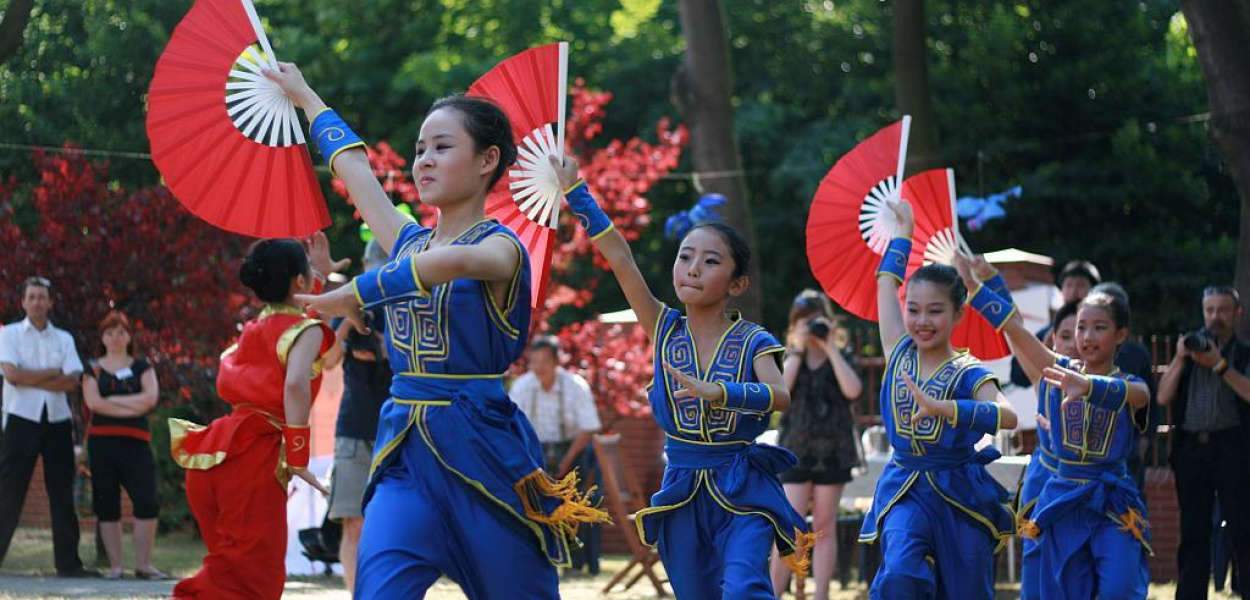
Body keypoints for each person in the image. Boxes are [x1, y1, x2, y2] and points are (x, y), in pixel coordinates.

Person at [267, 64, 608, 599]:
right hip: (405, 456)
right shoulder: (408, 243)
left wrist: (361, 290)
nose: (423, 159)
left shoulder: (502, 248)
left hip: (483, 454)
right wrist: (307, 97)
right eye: (420, 148)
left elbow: (450, 264)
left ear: (487, 160)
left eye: (442, 147)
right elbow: (354, 170)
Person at [550, 149, 813, 599]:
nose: (692, 268)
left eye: (711, 261)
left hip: (742, 488)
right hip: (682, 489)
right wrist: (576, 192)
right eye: (685, 256)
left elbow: (780, 395)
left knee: (745, 589)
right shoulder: (664, 327)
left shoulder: (754, 340)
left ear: (737, 284)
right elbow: (621, 259)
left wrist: (721, 392)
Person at [960, 256, 1152, 600]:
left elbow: (1141, 395)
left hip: (1112, 500)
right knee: (1062, 590)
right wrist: (977, 288)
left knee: (1119, 587)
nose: (1087, 336)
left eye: (1099, 327)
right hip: (1062, 498)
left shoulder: (1130, 383)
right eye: (1080, 327)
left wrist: (1089, 386)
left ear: (1121, 335)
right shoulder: (1055, 370)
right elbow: (1015, 329)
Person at [857, 202, 1018, 600]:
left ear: (958, 314)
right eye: (913, 310)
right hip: (905, 487)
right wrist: (903, 235)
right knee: (900, 576)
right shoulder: (898, 350)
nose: (921, 321)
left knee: (966, 591)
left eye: (935, 311)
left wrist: (948, 409)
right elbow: (885, 284)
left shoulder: (969, 370)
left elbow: (1007, 415)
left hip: (960, 492)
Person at [169, 237, 339, 599]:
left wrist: (320, 275)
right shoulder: (305, 332)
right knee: (251, 580)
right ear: (299, 281)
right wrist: (298, 457)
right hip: (255, 459)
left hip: (216, 452)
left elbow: (299, 323)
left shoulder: (254, 329)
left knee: (232, 572)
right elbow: (295, 383)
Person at [770, 289, 863, 600]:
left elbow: (853, 390)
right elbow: (781, 393)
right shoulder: (789, 356)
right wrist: (797, 349)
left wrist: (831, 347)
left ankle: (820, 595)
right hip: (795, 453)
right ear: (794, 324)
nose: (811, 325)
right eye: (804, 320)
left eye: (816, 319)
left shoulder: (841, 355)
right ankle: (772, 593)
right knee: (789, 526)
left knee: (824, 526)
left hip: (834, 452)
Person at [1158, 285, 1250, 600]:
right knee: (1193, 532)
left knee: (1243, 528)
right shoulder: (1189, 352)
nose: (1215, 317)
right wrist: (1180, 358)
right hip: (1192, 449)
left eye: (1223, 310)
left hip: (1233, 447)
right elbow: (1163, 396)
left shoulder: (1243, 353)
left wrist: (1219, 364)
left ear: (1237, 314)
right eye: (1210, 310)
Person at [0, 276, 96, 577]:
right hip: (20, 419)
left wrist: (30, 376)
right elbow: (12, 376)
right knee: (9, 491)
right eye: (31, 297)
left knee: (62, 493)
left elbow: (72, 382)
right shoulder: (9, 335)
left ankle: (68, 564)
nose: (37, 302)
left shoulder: (64, 339)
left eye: (42, 297)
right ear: (23, 302)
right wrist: (53, 373)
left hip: (57, 421)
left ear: (50, 302)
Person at [324, 239, 391, 595]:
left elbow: (412, 361)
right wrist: (347, 326)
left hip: (395, 431)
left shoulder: (405, 307)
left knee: (394, 525)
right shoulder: (351, 304)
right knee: (353, 524)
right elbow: (328, 360)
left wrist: (380, 347)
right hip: (353, 429)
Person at [81, 310, 166, 580]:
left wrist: (112, 401)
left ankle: (143, 565)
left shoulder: (143, 367)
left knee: (147, 501)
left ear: (129, 337)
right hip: (102, 445)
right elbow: (93, 403)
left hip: (136, 444)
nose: (115, 338)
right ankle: (116, 567)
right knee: (107, 504)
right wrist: (132, 404)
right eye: (109, 333)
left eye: (121, 332)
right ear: (102, 338)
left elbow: (150, 399)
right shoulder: (93, 368)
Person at [1014, 298, 1080, 600]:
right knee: (1036, 565)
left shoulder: (1113, 385)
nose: (1075, 344)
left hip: (1087, 491)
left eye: (1083, 333)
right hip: (1044, 485)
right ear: (1052, 340)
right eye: (1066, 336)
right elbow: (1014, 330)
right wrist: (984, 285)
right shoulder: (1044, 378)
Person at [510, 336, 601, 478]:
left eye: (545, 361)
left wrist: (566, 462)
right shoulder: (521, 386)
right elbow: (511, 424)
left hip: (571, 453)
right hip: (532, 454)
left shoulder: (576, 386)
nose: (539, 367)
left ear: (557, 361)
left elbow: (588, 427)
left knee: (589, 455)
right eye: (535, 362)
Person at [1009, 260, 1101, 388]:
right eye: (1069, 285)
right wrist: (1043, 352)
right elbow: (1018, 376)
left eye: (1080, 285)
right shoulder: (1046, 333)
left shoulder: (1105, 333)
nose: (1074, 291)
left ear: (1094, 290)